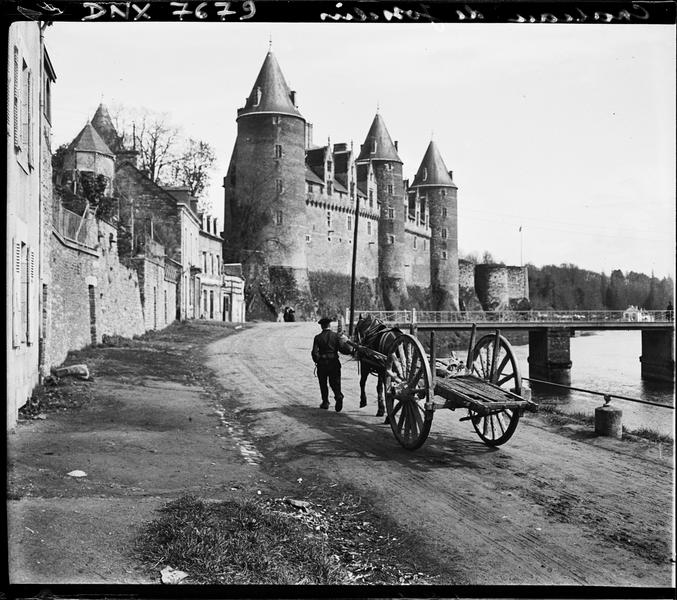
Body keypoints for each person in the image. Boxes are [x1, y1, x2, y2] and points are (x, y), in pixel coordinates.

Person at [311, 317, 350, 412]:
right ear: (329, 325)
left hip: (322, 364)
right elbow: (343, 349)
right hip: (334, 363)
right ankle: (338, 396)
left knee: (323, 383)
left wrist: (317, 360)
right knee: (335, 382)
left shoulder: (318, 337)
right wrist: (348, 348)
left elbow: (314, 353)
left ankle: (325, 402)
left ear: (321, 326)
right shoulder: (336, 336)